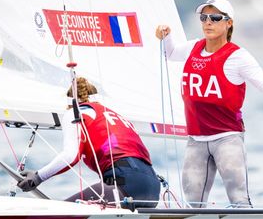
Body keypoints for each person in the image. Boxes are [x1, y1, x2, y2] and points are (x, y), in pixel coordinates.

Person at [155, 0, 263, 208]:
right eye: (204, 17)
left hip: (227, 139)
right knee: (193, 203)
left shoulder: (238, 57)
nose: (208, 22)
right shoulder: (193, 47)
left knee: (238, 198)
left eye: (215, 17)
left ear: (229, 23)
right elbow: (171, 53)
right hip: (196, 140)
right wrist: (166, 37)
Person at [17, 77, 160, 208]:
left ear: (70, 102)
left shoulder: (76, 112)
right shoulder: (116, 116)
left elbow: (70, 156)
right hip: (153, 188)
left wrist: (37, 177)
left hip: (125, 184)